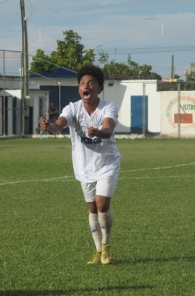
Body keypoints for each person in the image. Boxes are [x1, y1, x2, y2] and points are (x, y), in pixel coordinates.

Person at [40, 65, 120, 265]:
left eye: (91, 83)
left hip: (107, 163)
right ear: (79, 89)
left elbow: (109, 130)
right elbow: (58, 126)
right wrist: (48, 126)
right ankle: (97, 250)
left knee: (102, 204)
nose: (86, 86)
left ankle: (107, 246)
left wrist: (98, 132)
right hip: (84, 166)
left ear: (99, 88)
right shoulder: (72, 108)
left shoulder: (108, 108)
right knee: (92, 208)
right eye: (83, 83)